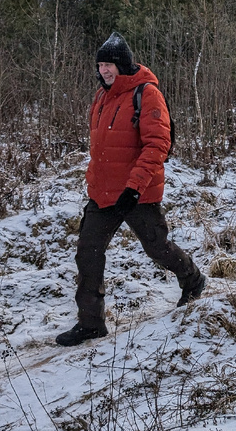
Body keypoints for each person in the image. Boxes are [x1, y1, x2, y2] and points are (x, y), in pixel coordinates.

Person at [56, 33, 206, 347]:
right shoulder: (101, 96)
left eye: (109, 64)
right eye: (100, 65)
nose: (104, 70)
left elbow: (157, 145)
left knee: (157, 247)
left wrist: (134, 189)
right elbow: (102, 148)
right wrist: (93, 181)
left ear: (122, 64)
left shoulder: (147, 93)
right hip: (103, 193)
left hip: (137, 194)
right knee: (88, 252)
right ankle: (91, 323)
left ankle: (192, 280)